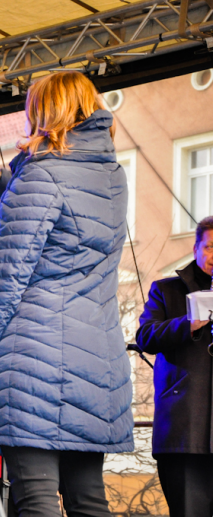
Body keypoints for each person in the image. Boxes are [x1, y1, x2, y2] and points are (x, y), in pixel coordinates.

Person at [0, 71, 134, 517]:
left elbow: (4, 277)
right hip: (96, 361)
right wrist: (2, 177)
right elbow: (65, 214)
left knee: (34, 500)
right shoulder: (112, 176)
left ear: (44, 113)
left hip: (34, 361)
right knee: (88, 499)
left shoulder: (41, 176)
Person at [135, 216, 213, 516]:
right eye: (209, 247)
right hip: (183, 434)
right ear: (195, 248)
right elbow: (145, 337)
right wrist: (189, 324)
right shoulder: (167, 290)